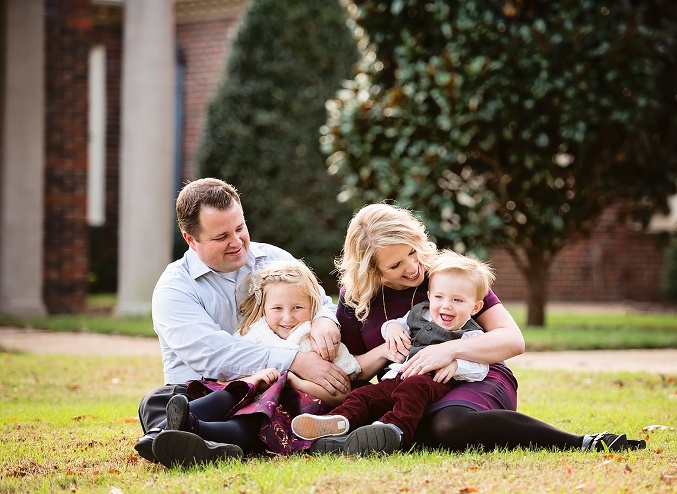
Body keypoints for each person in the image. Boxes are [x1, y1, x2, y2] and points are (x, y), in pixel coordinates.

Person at [308, 203, 646, 455]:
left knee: (450, 426)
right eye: (396, 265)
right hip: (408, 387)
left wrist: (450, 350)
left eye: (413, 252)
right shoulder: (359, 299)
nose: (413, 267)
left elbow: (512, 340)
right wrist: (384, 349)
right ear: (372, 270)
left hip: (475, 375)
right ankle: (344, 438)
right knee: (406, 425)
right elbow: (353, 372)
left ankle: (583, 443)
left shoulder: (447, 274)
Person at [133, 177, 350, 464]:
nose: (236, 242)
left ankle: (186, 438)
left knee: (292, 404)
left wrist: (324, 319)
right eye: (221, 237)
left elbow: (321, 301)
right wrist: (294, 359)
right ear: (191, 239)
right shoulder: (175, 288)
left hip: (278, 388)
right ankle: (187, 434)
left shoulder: (273, 259)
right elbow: (214, 355)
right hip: (204, 389)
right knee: (157, 402)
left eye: (240, 228)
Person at [151, 260, 373, 467]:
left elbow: (342, 393)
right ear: (264, 308)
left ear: (313, 306)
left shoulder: (316, 338)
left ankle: (190, 427)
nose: (288, 318)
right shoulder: (256, 333)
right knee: (230, 393)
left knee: (252, 425)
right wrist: (252, 379)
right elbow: (225, 376)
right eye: (277, 309)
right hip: (247, 400)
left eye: (298, 308)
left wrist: (293, 382)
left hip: (283, 415)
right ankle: (165, 427)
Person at [291, 250, 495, 454]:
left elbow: (479, 367)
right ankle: (337, 422)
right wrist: (391, 328)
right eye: (439, 297)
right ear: (430, 296)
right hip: (396, 376)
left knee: (413, 390)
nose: (446, 306)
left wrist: (456, 363)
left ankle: (395, 431)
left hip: (430, 382)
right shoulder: (420, 312)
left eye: (457, 301)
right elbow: (397, 324)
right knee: (365, 395)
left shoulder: (471, 333)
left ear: (475, 307)